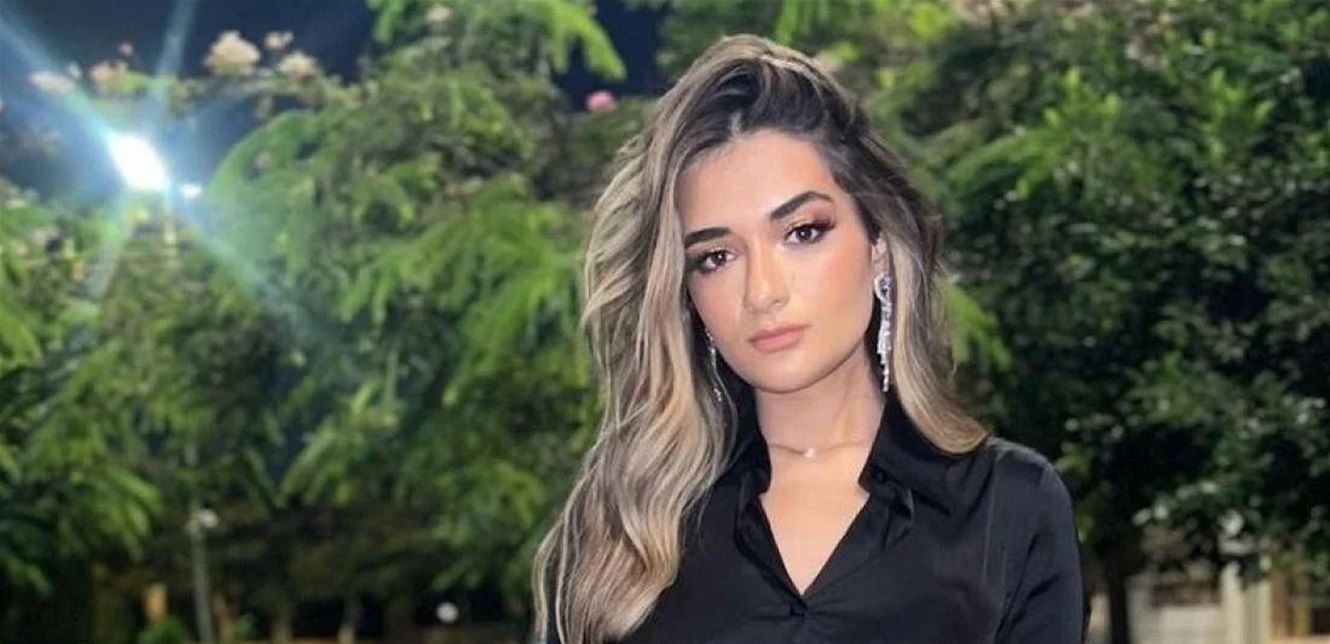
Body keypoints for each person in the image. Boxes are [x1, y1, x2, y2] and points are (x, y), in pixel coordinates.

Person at [530, 34, 1084, 644]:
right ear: (686, 294)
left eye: (802, 232)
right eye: (716, 257)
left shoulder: (1008, 505)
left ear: (879, 245)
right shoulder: (620, 535)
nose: (762, 291)